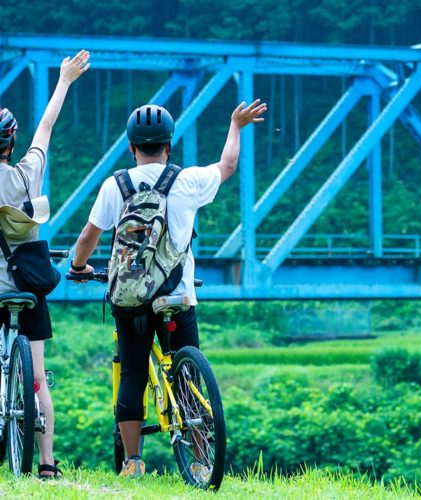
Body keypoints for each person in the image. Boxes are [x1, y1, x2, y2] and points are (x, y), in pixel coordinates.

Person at [69, 99, 267, 477]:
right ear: (169, 145)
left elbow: (88, 236)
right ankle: (199, 458)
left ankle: (133, 462)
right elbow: (227, 166)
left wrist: (79, 268)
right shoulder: (187, 181)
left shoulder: (116, 185)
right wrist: (235, 125)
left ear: (131, 147)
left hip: (131, 301)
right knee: (188, 376)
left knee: (132, 374)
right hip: (177, 296)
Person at [0, 50, 90, 478]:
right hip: (28, 290)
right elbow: (47, 126)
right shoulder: (26, 174)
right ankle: (48, 464)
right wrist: (65, 81)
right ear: (11, 143)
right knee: (37, 377)